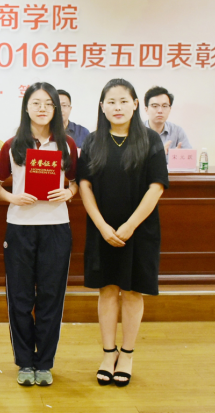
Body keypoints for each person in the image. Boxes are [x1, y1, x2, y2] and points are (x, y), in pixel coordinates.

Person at [77, 79, 168, 388]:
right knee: (106, 289)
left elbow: (157, 187)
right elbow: (84, 185)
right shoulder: (93, 141)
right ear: (102, 106)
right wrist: (102, 226)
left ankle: (126, 354)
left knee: (132, 291)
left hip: (139, 230)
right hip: (102, 230)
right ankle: (108, 353)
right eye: (111, 101)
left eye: (123, 101)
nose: (117, 107)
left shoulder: (150, 140)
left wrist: (130, 225)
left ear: (135, 105)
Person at [0, 82, 78, 387]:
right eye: (36, 103)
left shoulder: (67, 144)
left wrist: (68, 192)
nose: (42, 109)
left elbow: (76, 183)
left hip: (56, 227)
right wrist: (12, 198)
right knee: (20, 297)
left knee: (51, 297)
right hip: (20, 228)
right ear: (26, 107)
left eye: (48, 104)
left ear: (56, 109)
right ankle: (25, 362)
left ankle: (44, 363)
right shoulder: (12, 144)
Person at [143, 86, 192, 155]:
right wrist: (158, 154)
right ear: (146, 109)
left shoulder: (177, 131)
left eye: (165, 106)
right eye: (155, 106)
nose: (160, 111)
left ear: (170, 109)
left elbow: (190, 158)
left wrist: (178, 158)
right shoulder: (136, 132)